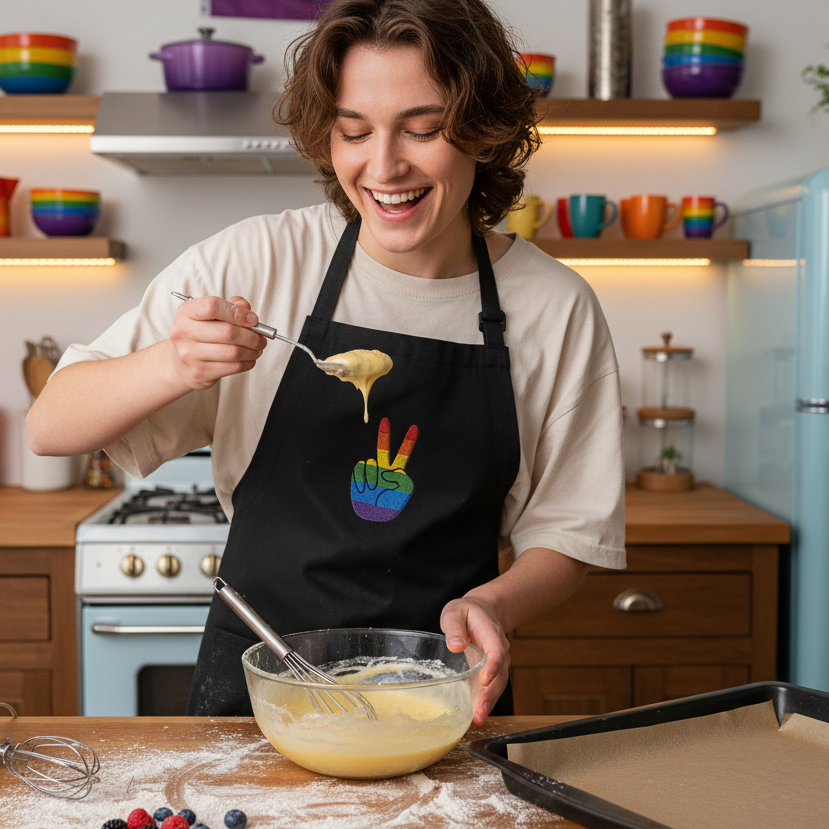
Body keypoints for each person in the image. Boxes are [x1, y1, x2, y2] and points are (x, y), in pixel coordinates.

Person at [27, 0, 625, 724]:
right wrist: (172, 363)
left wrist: (491, 603)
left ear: (483, 131)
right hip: (257, 698)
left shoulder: (554, 306)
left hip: (442, 700)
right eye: (353, 131)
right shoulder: (260, 261)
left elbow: (567, 534)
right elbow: (51, 425)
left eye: (424, 128)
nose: (384, 166)